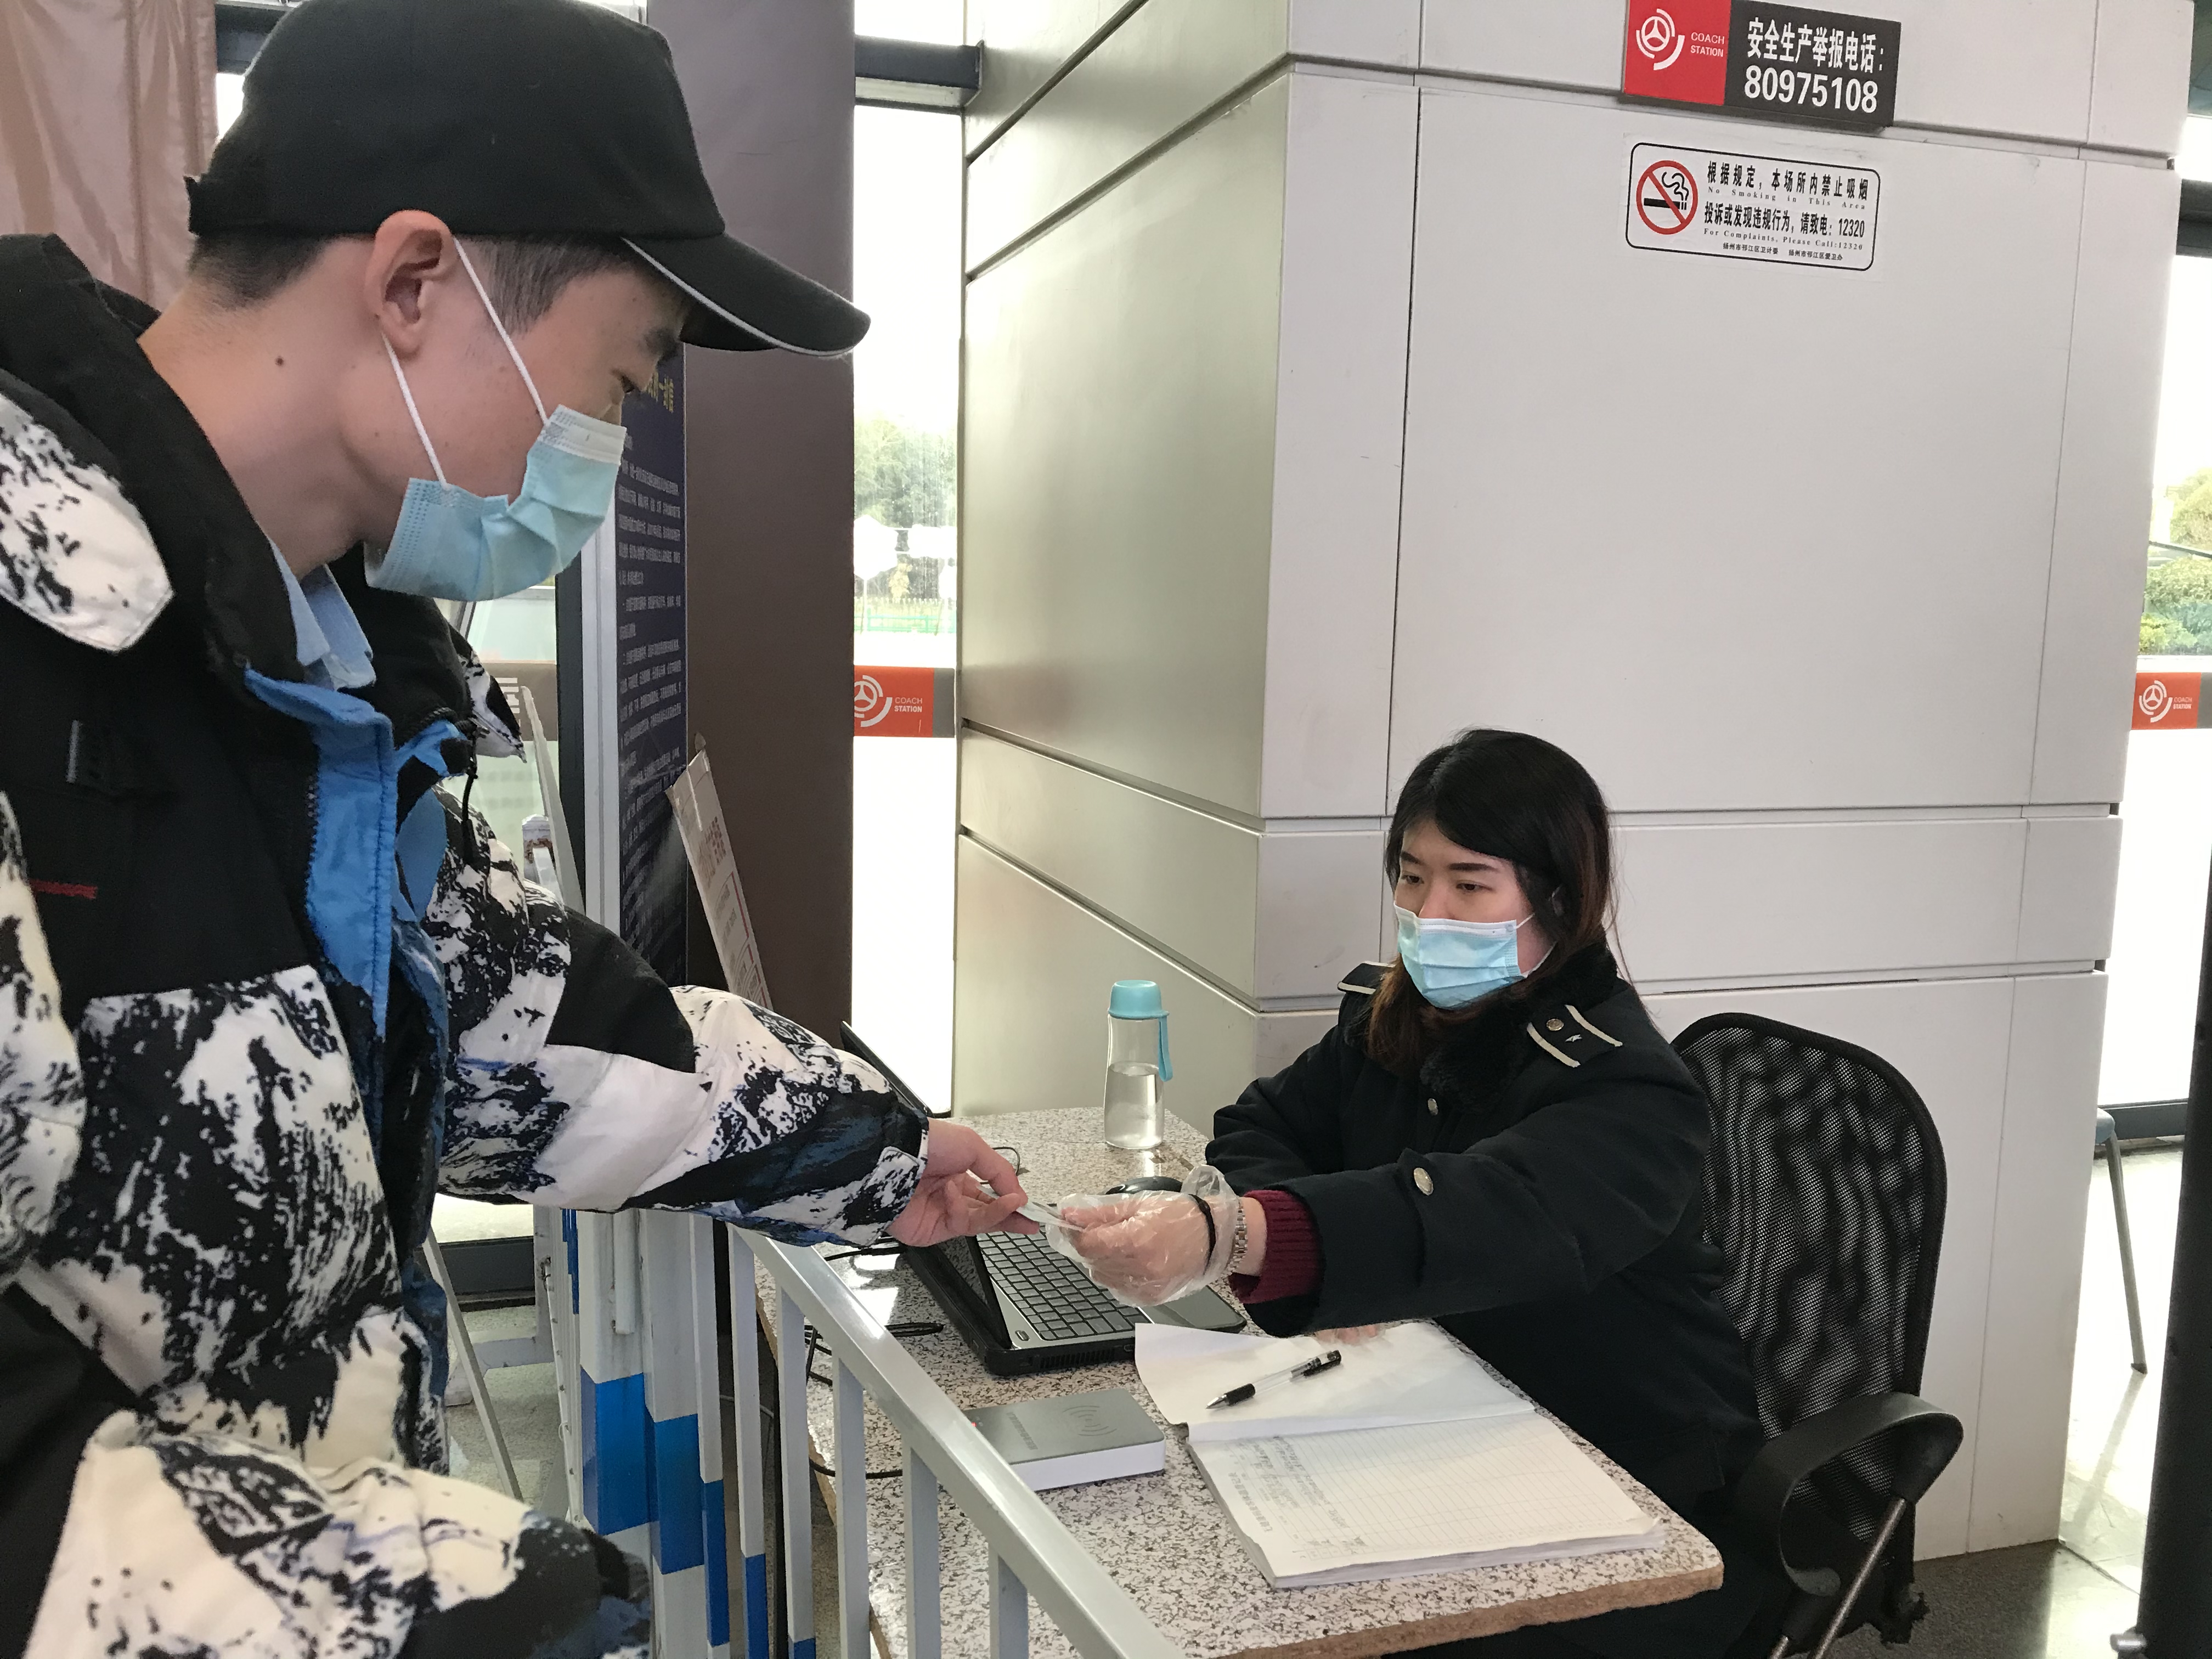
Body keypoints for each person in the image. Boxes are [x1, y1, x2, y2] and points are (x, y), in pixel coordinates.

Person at [0, 1, 1029, 1651]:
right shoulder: (37, 625)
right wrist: (441, 1610)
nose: (612, 446)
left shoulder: (326, 668)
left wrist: (873, 1149)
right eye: (619, 379)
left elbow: (498, 1025)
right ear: (417, 282)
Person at [1064, 730, 1784, 1658]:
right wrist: (1325, 1255)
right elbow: (1263, 1124)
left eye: (1470, 886)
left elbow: (1490, 1212)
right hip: (1443, 1418)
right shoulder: (1398, 1018)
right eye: (1411, 876)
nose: (1426, 910)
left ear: (1560, 901)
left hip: (1629, 1478)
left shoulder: (1625, 1087)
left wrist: (1238, 1235)